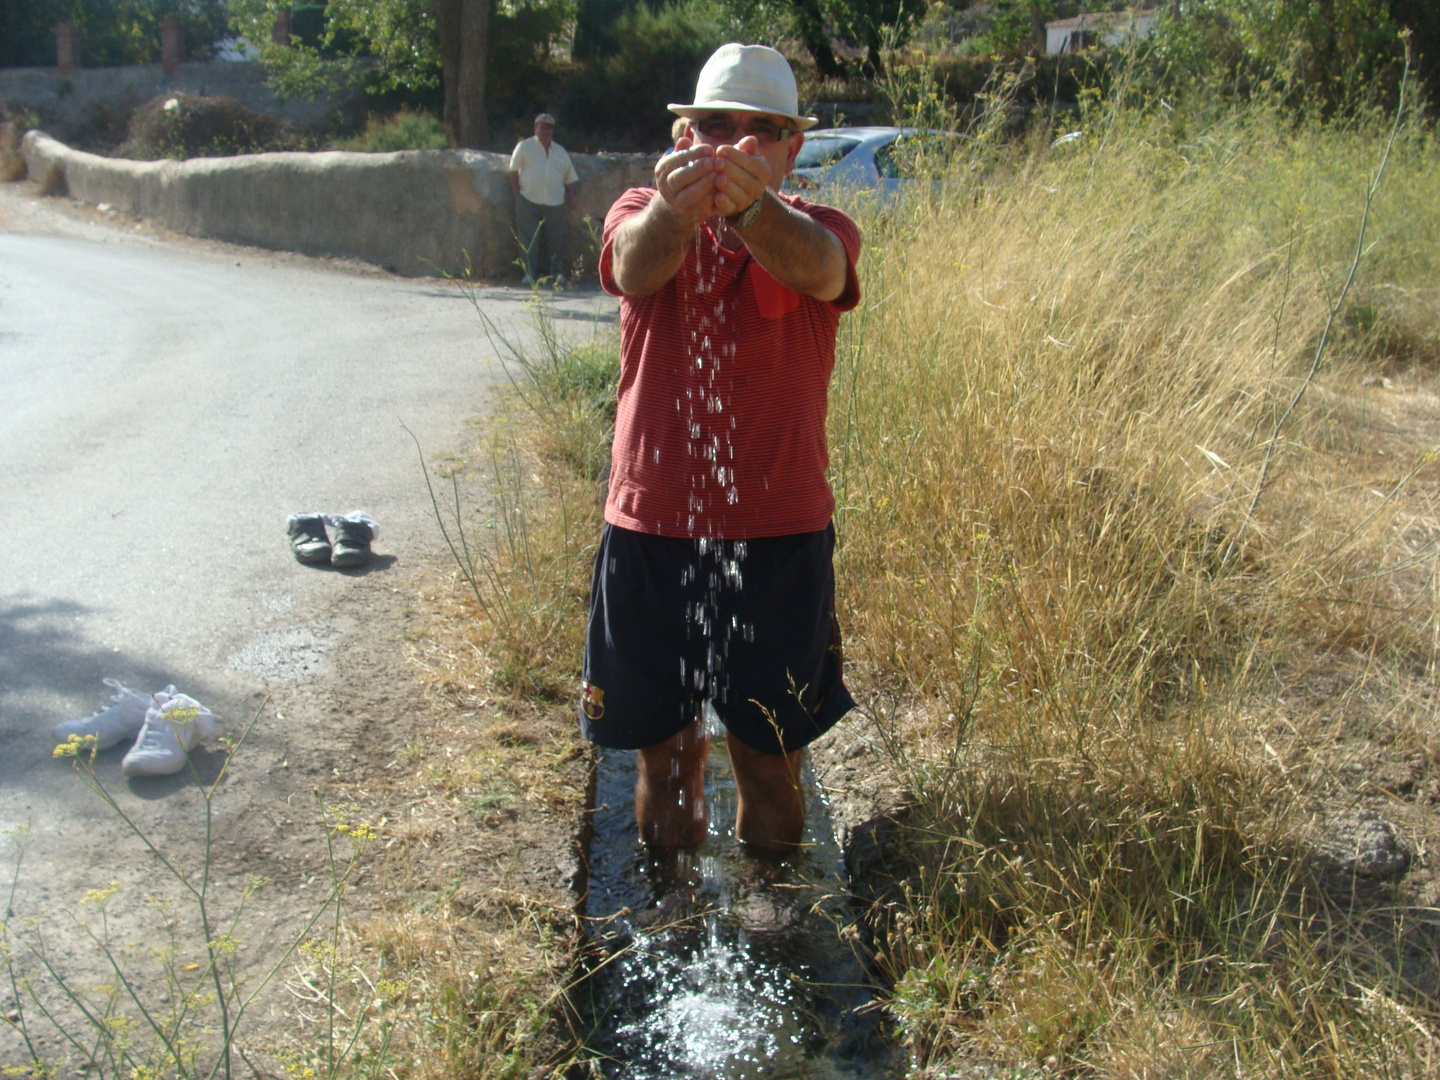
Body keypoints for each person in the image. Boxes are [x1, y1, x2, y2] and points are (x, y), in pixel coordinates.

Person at [581, 43, 862, 853]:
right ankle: (674, 922)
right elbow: (635, 268)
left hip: (779, 545)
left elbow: (820, 266)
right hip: (651, 537)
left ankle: (774, 920)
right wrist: (678, 212)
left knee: (770, 765)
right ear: (681, 137)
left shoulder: (819, 225)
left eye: (759, 132)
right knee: (667, 764)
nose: (735, 146)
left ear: (791, 150)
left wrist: (749, 212)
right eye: (713, 126)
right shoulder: (641, 208)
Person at [508, 113, 578, 286]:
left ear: (552, 130)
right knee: (528, 240)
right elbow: (512, 170)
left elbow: (569, 178)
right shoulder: (524, 146)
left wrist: (571, 198)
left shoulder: (560, 152)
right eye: (542, 126)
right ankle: (529, 274)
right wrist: (516, 193)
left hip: (555, 202)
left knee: (555, 240)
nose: (546, 130)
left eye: (549, 127)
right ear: (535, 128)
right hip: (528, 199)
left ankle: (555, 273)